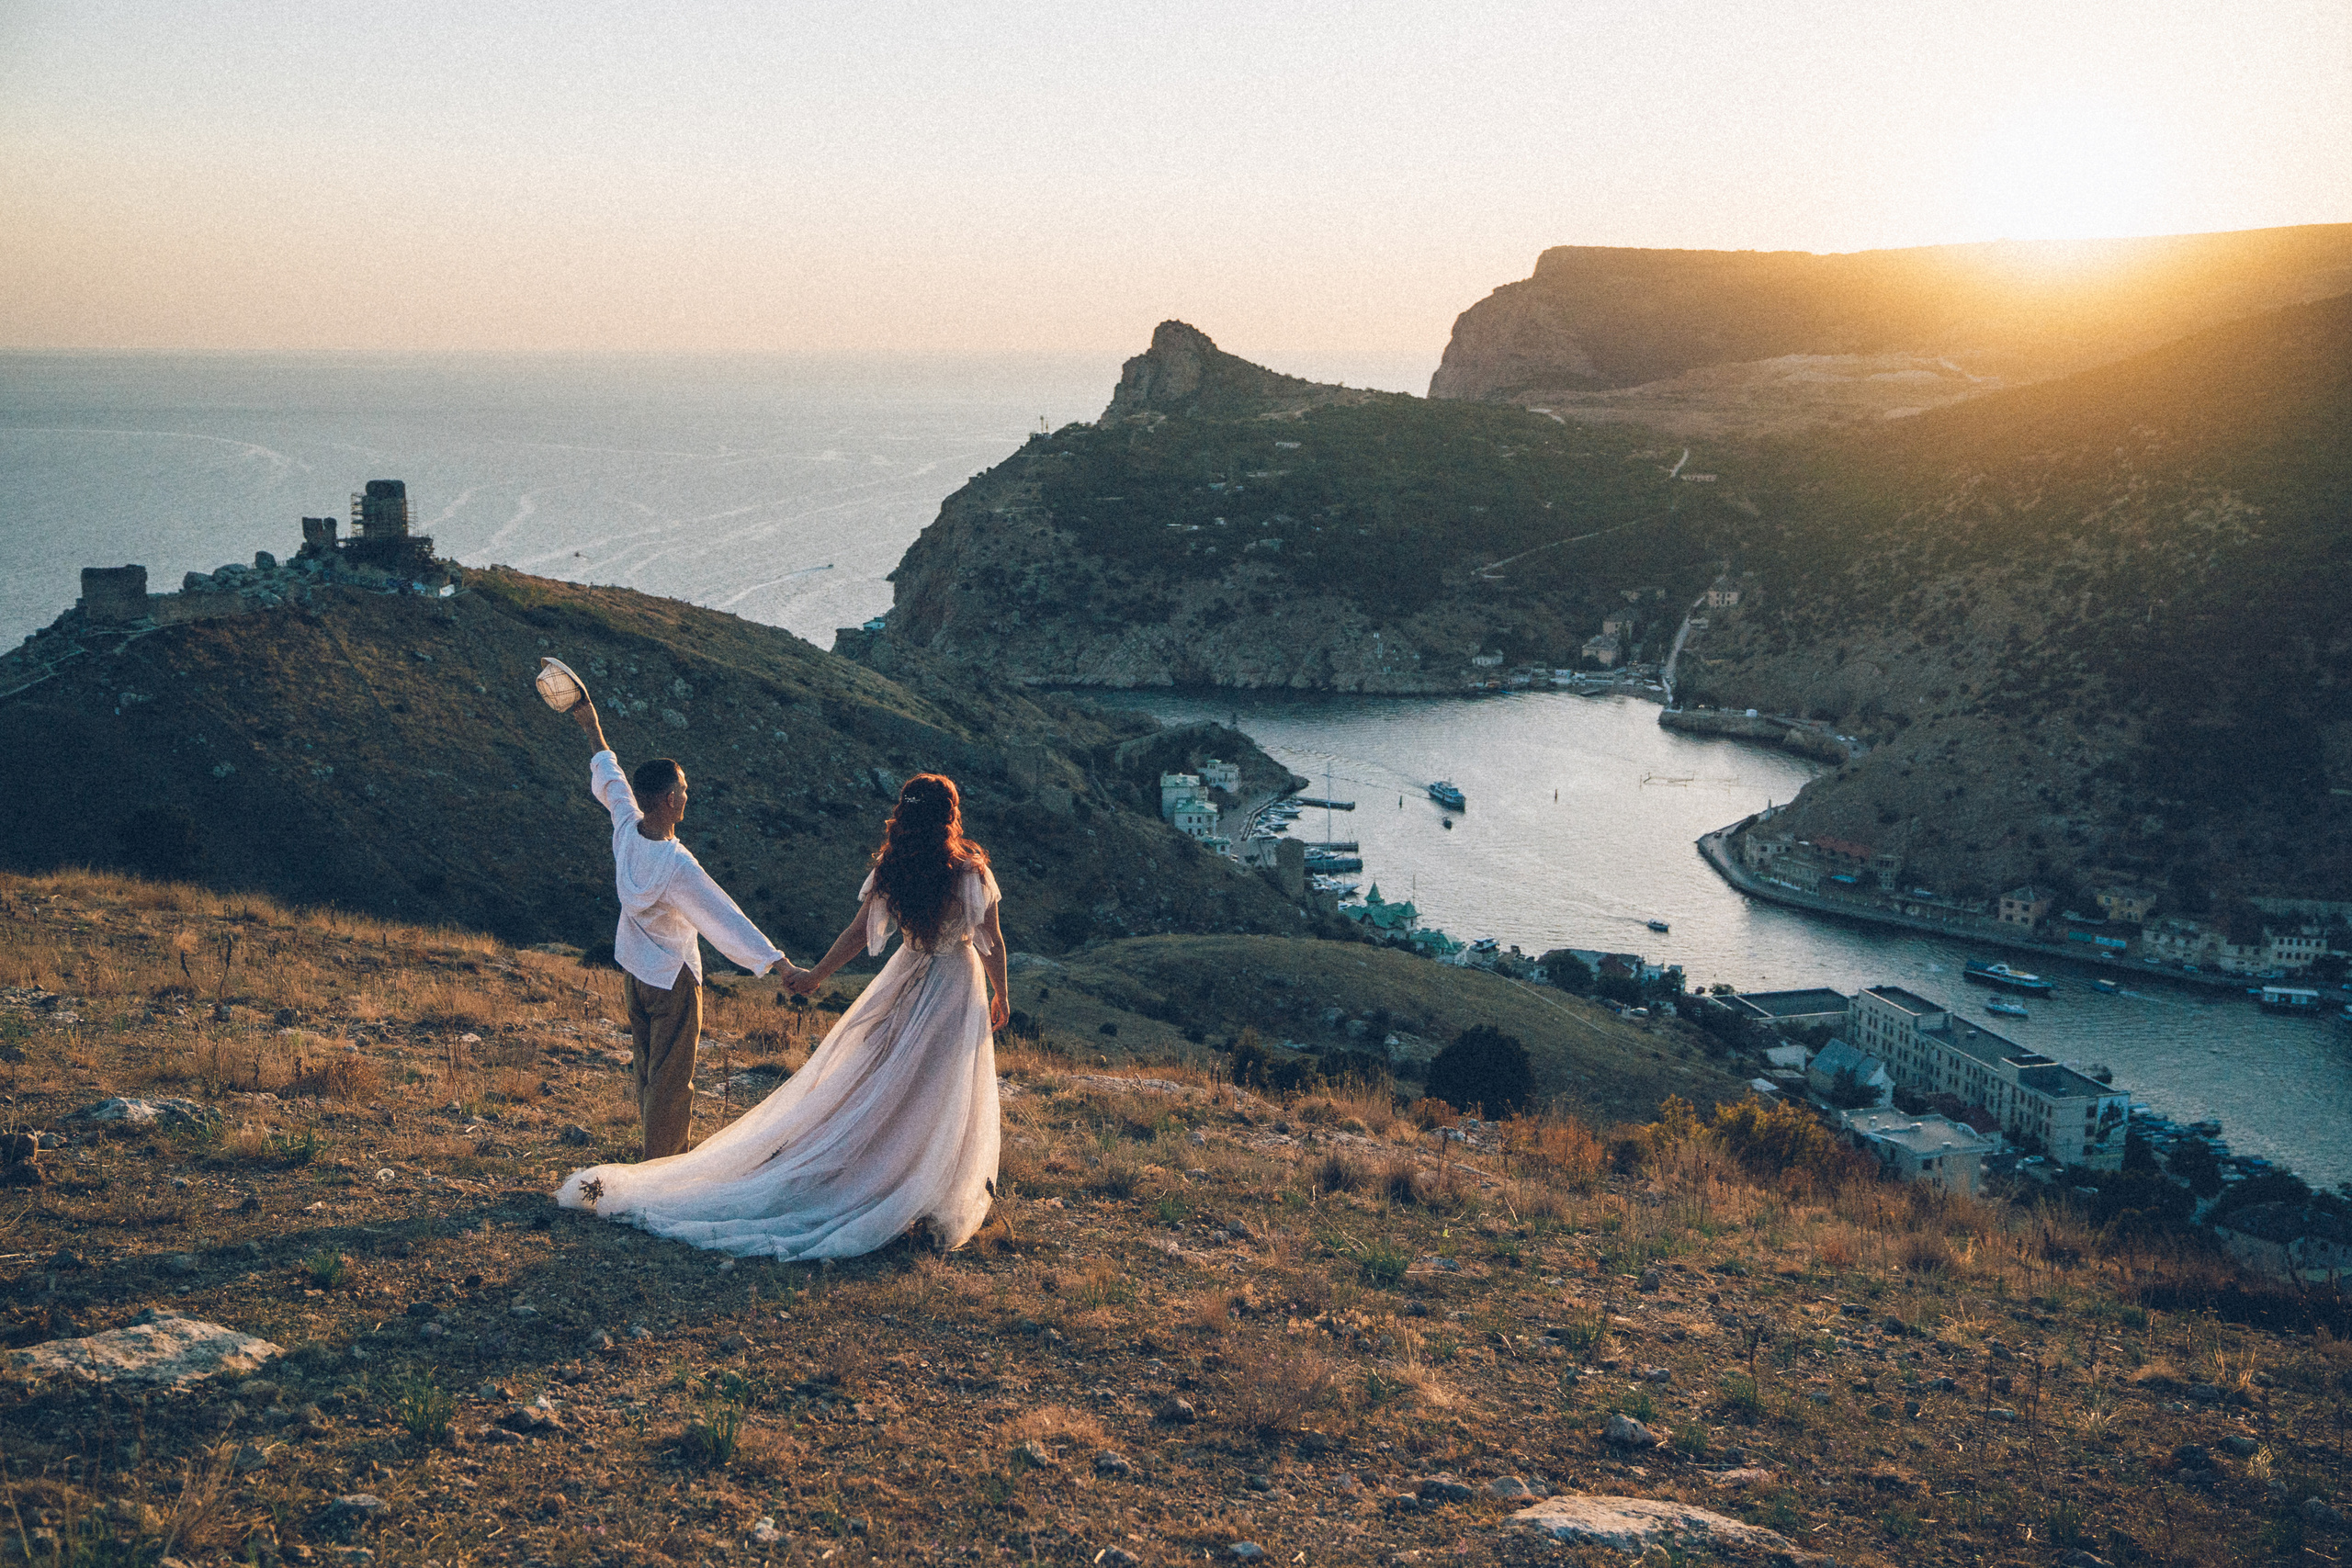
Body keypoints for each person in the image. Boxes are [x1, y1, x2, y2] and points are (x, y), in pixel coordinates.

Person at [556, 773, 1009, 1259]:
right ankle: (924, 1186)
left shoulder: (893, 868)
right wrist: (1001, 991)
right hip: (955, 986)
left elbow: (858, 934)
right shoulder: (970, 872)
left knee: (886, 1081)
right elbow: (992, 941)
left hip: (908, 973)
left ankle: (886, 1174)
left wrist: (814, 975)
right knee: (940, 1087)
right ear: (950, 815)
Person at [566, 692, 800, 1159]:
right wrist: (778, 962)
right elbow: (723, 915)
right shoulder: (676, 864)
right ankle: (661, 1172)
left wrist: (591, 725)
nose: (689, 794)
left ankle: (653, 1156)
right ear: (671, 800)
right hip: (673, 979)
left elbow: (610, 780)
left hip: (635, 975)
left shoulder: (625, 830)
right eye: (685, 789)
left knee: (649, 1073)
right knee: (674, 1082)